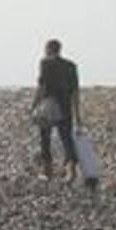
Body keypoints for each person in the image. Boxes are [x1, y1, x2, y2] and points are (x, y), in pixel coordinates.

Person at [31, 39, 81, 182]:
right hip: (65, 107)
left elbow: (41, 87)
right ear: (59, 49)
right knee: (67, 139)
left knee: (45, 139)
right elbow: (75, 91)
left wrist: (34, 105)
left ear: (48, 49)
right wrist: (78, 115)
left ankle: (47, 171)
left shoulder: (45, 63)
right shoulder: (71, 66)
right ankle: (71, 172)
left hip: (48, 107)